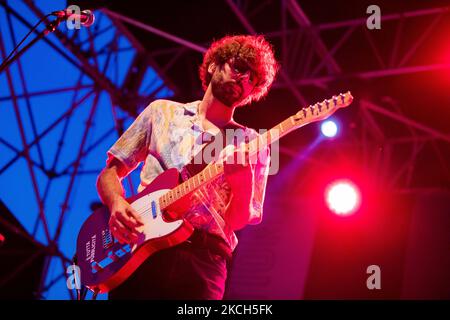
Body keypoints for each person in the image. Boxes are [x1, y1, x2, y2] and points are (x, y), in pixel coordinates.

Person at [96, 34, 279, 299]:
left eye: (253, 80)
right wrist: (116, 203)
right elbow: (111, 172)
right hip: (143, 249)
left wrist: (243, 183)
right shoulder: (162, 112)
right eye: (239, 68)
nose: (244, 80)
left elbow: (237, 221)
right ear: (214, 65)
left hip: (203, 263)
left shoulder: (253, 143)